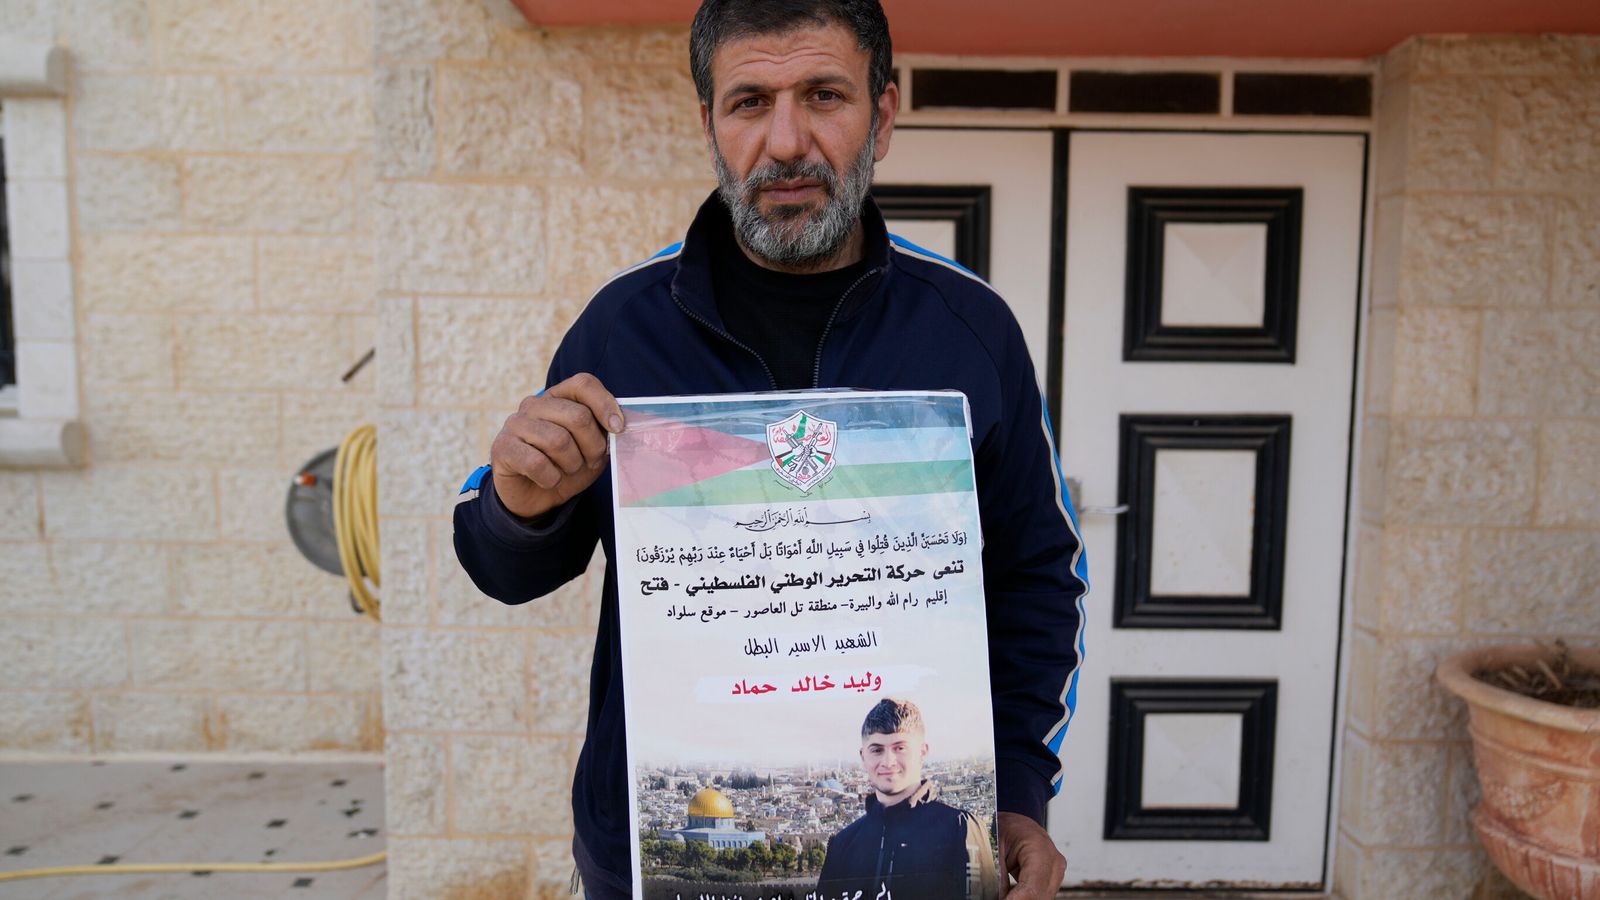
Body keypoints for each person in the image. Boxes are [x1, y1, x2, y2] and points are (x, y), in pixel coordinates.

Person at [451, 1, 1086, 897]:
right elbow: (505, 566)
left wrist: (1018, 791)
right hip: (656, 860)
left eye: (824, 94)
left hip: (924, 865)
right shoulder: (624, 328)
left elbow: (1037, 575)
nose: (787, 140)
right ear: (708, 122)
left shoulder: (969, 331)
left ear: (885, 116)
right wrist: (520, 501)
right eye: (751, 102)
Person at [816, 699, 1000, 900]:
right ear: (863, 756)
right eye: (877, 749)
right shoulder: (843, 844)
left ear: (922, 752)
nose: (888, 761)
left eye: (900, 748)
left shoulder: (960, 829)